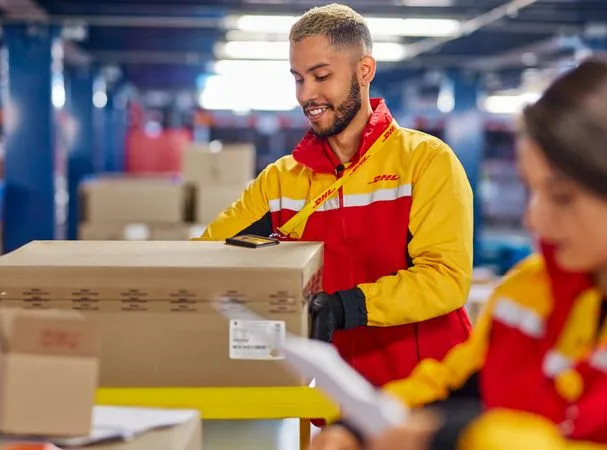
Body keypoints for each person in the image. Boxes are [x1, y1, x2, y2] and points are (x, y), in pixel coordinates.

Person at [311, 54, 607, 449]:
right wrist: (361, 428)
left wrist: (472, 438)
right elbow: (452, 383)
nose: (535, 219)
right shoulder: (530, 290)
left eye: (562, 197)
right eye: (531, 189)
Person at [197, 3, 474, 394]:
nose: (307, 94)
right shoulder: (281, 182)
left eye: (321, 76)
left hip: (431, 393)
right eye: (297, 79)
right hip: (341, 393)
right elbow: (202, 259)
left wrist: (349, 307)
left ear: (364, 71)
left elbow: (446, 279)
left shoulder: (425, 162)